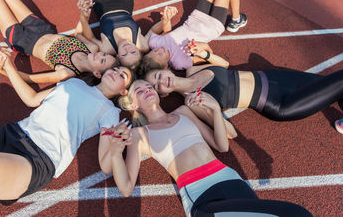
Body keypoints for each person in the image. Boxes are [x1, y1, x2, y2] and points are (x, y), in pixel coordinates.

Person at [0, 49, 133, 216]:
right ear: (100, 73)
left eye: (123, 76)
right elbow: (31, 99)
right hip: (12, 132)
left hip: (36, 160)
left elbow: (106, 165)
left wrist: (116, 150)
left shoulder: (110, 112)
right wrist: (8, 66)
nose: (116, 72)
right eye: (115, 69)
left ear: (124, 92)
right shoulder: (75, 83)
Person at [99, 80, 312, 216]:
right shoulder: (139, 135)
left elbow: (221, 145)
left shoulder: (184, 112)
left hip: (231, 180)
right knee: (298, 214)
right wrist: (116, 153)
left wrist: (215, 111)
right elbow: (126, 188)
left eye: (148, 87)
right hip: (200, 195)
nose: (146, 90)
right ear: (133, 104)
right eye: (139, 90)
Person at [0, 0, 117, 84]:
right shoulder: (92, 49)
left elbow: (28, 78)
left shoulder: (67, 72)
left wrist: (3, 70)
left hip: (23, 40)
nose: (101, 54)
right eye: (105, 55)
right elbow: (78, 33)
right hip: (40, 28)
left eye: (102, 60)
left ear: (97, 73)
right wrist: (85, 12)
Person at [145, 63, 343, 122]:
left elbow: (222, 64)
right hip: (279, 103)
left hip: (276, 77)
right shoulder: (192, 102)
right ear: (162, 94)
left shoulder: (192, 69)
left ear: (166, 69)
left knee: (335, 88)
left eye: (158, 76)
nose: (162, 81)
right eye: (157, 85)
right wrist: (214, 109)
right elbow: (228, 134)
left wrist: (204, 54)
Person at [139, 0, 247, 73]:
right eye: (160, 54)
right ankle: (236, 20)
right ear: (165, 66)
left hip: (197, 16)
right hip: (212, 25)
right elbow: (208, 54)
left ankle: (236, 19)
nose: (159, 50)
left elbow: (167, 32)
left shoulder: (155, 43)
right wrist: (201, 47)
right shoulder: (179, 62)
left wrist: (166, 20)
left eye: (154, 51)